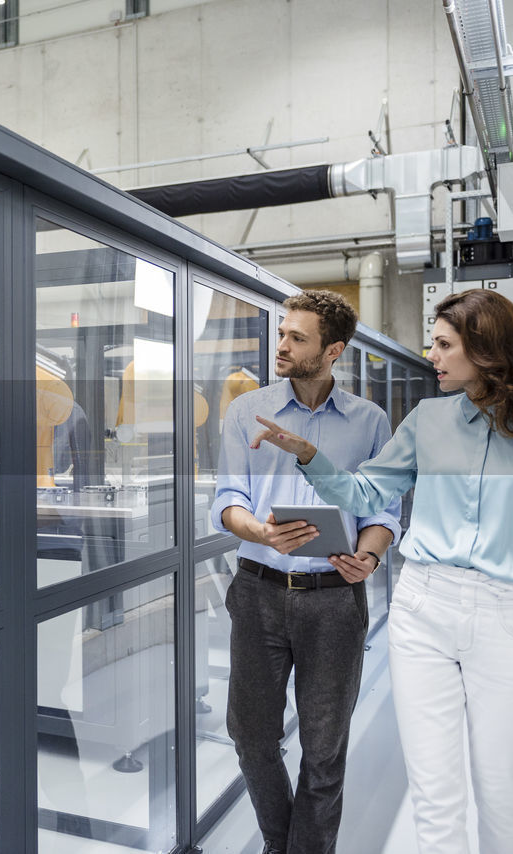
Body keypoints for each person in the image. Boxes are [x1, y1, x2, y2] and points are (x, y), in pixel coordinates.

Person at [251, 288, 513, 854]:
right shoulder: (427, 418)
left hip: (508, 619)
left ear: (485, 350)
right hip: (422, 610)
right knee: (435, 794)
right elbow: (367, 489)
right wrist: (309, 455)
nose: (430, 356)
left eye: (442, 345)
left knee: (502, 788)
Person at [211, 290, 401, 854]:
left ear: (333, 350)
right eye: (282, 334)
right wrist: (259, 531)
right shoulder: (248, 410)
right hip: (259, 590)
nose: (282, 346)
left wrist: (368, 555)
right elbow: (227, 497)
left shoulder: (369, 421)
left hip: (334, 598)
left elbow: (382, 508)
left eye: (298, 338)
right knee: (251, 736)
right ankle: (280, 841)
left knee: (324, 747)